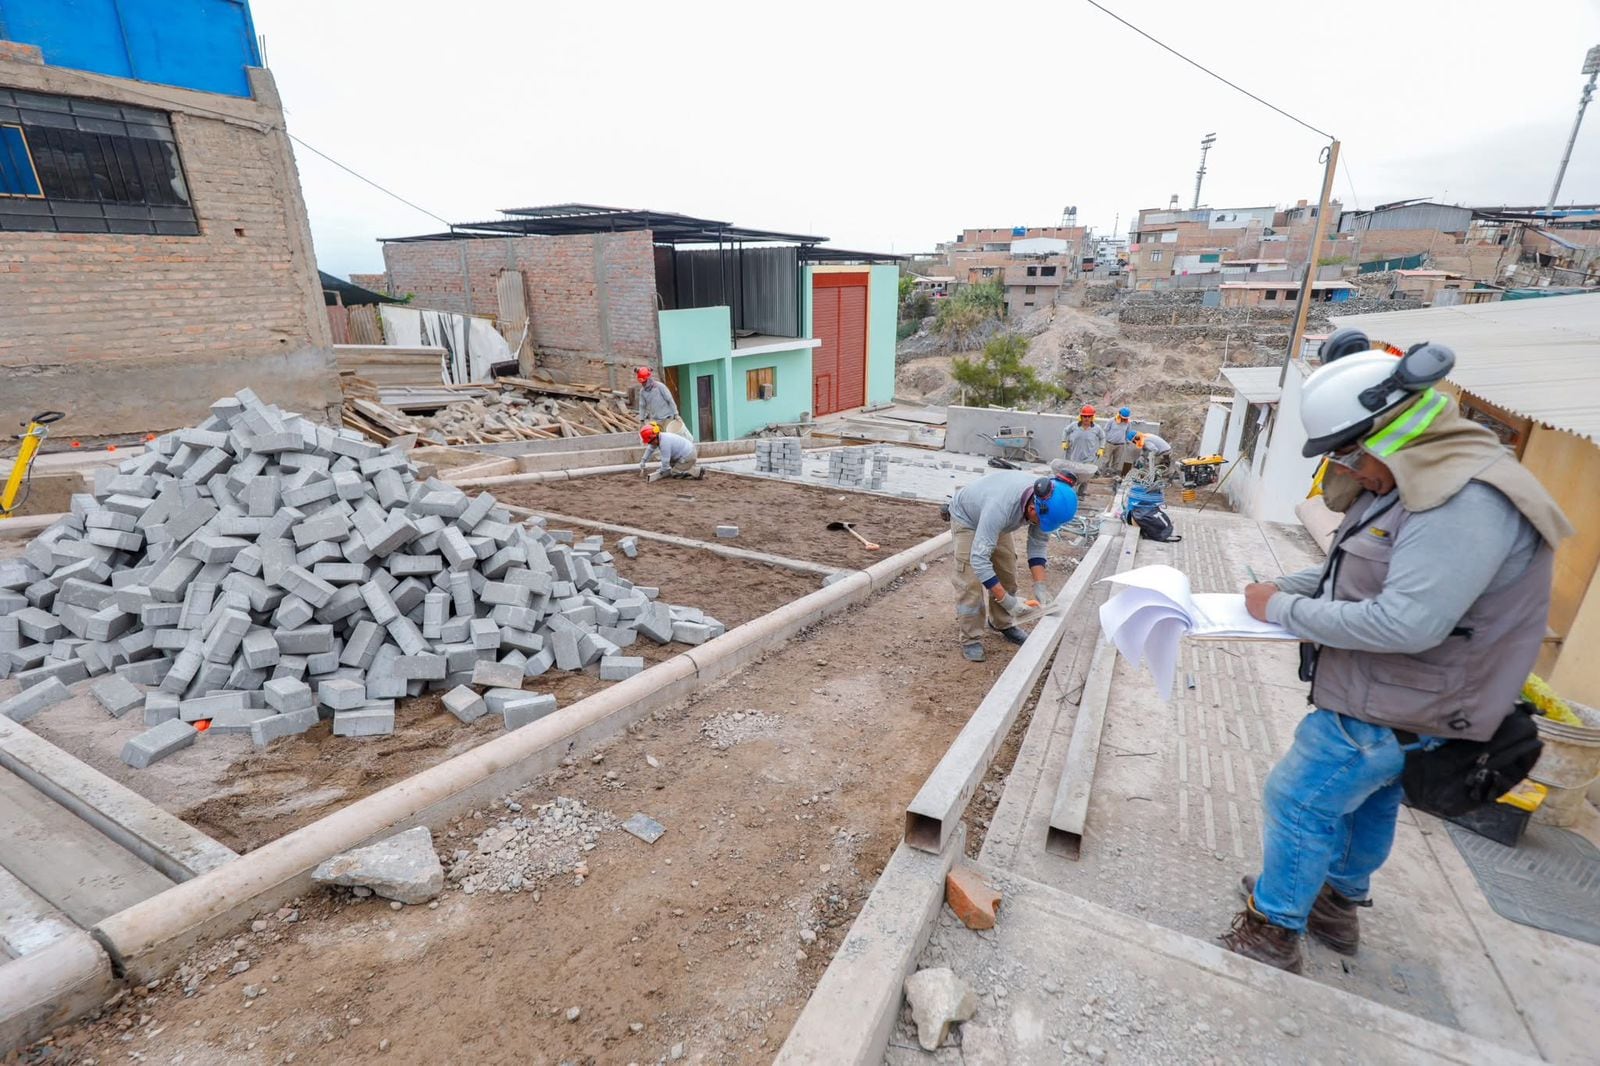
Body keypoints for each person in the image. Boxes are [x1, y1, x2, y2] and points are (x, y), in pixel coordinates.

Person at [1218, 341, 1571, 973]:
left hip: (1401, 696)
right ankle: (1333, 904)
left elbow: (1406, 622)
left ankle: (1271, 930)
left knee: (1298, 799)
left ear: (1387, 431)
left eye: (1347, 453)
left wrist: (1278, 611)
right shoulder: (1419, 477)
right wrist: (1272, 594)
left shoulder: (1464, 500)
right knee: (1369, 800)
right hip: (1400, 697)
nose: (1344, 470)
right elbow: (1357, 573)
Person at [946, 470, 1078, 662]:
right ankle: (971, 638)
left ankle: (1001, 622)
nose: (1040, 525)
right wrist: (1008, 601)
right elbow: (980, 561)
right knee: (970, 583)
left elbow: (1038, 545)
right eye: (1040, 522)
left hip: (997, 519)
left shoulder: (1045, 500)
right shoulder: (1000, 508)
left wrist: (1040, 586)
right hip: (968, 519)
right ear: (1033, 509)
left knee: (1007, 572)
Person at [635, 367, 689, 438]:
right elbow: (642, 406)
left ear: (649, 379)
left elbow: (670, 400)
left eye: (644, 382)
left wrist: (676, 414)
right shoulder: (643, 392)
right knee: (658, 440)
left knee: (670, 438)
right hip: (655, 421)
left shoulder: (660, 387)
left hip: (667, 419)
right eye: (642, 382)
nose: (643, 384)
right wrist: (641, 420)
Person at [1105, 407, 1137, 477]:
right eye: (1123, 417)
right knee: (1106, 460)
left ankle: (1112, 476)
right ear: (1119, 414)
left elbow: (1128, 433)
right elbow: (1106, 430)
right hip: (1110, 444)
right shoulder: (1111, 421)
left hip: (1120, 445)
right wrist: (1109, 439)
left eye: (1125, 418)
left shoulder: (1128, 423)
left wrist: (1128, 443)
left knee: (1116, 462)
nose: (1124, 419)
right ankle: (1103, 475)